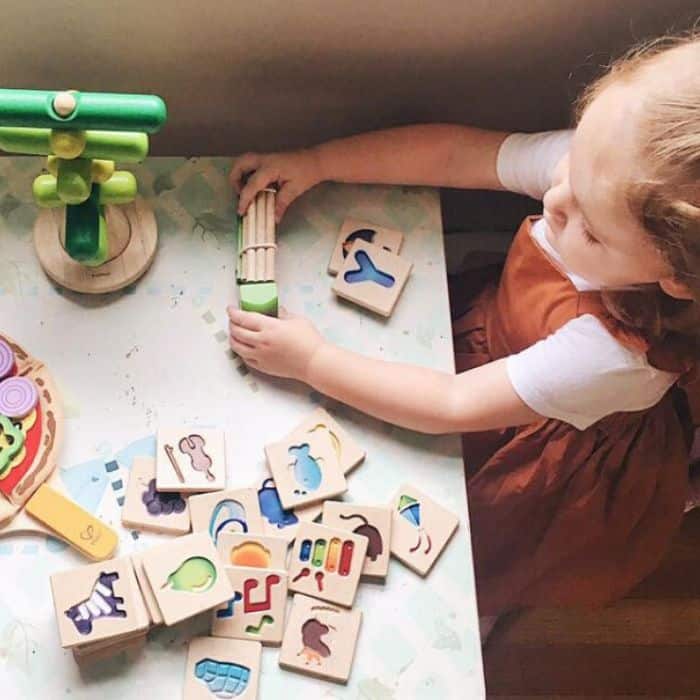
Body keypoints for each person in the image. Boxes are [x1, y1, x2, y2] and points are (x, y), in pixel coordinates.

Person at [228, 33, 700, 624]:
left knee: (474, 552)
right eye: (570, 169)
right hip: (498, 341)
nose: (555, 200)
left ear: (674, 278)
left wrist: (312, 360)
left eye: (593, 231)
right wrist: (317, 163)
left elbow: (452, 404)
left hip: (541, 436)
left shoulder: (614, 356)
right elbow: (457, 154)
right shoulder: (599, 174)